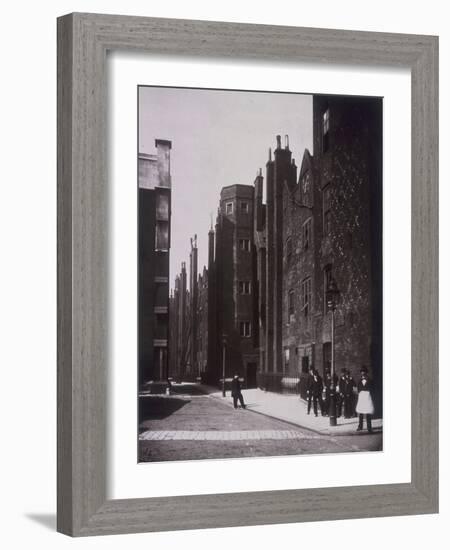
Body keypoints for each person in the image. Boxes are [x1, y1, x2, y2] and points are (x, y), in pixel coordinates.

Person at [356, 366, 374, 432]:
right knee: (361, 412)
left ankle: (369, 427)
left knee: (368, 412)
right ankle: (360, 426)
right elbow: (358, 388)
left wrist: (369, 394)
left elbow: (372, 388)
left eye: (364, 371)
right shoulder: (359, 380)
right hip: (361, 397)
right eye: (362, 372)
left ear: (366, 372)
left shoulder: (369, 380)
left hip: (367, 396)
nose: (363, 373)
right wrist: (360, 393)